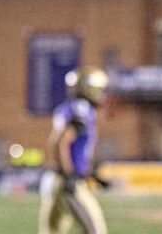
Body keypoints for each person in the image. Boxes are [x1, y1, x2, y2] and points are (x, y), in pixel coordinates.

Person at [38, 67, 109, 234]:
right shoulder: (81, 109)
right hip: (67, 181)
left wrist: (91, 174)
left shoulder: (70, 107)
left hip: (57, 179)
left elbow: (67, 145)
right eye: (98, 89)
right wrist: (69, 174)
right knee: (95, 230)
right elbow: (61, 142)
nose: (101, 94)